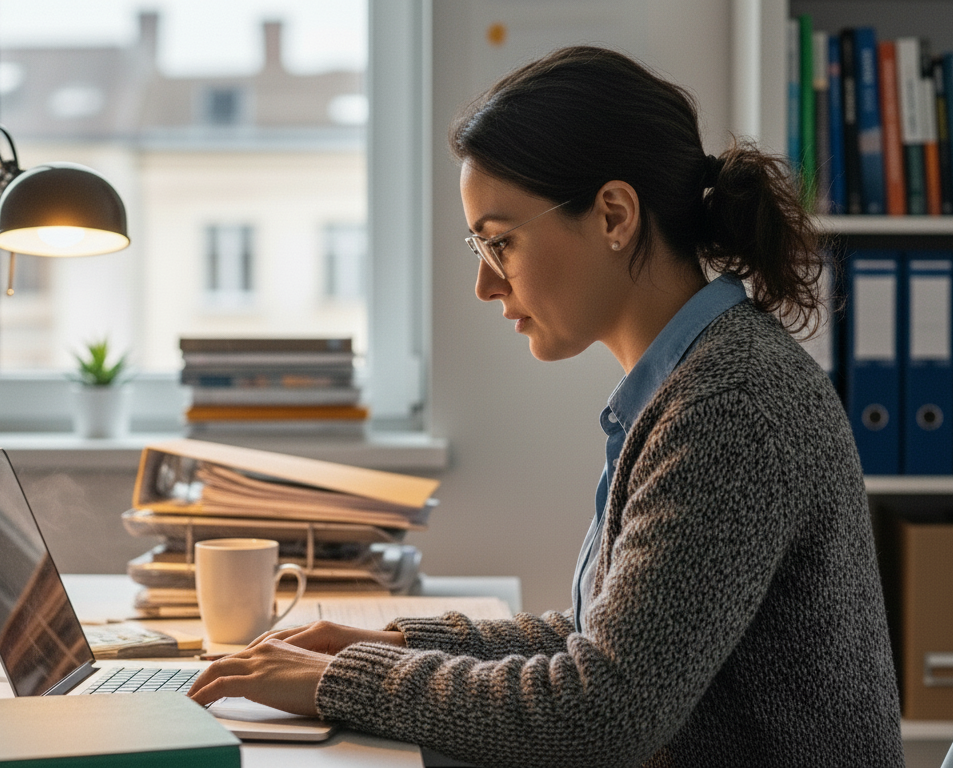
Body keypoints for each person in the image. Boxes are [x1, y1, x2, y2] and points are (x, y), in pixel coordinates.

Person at [189, 46, 905, 767]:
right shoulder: (693, 382)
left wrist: (343, 681)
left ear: (614, 215)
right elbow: (600, 639)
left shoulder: (729, 408)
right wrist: (393, 644)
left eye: (500, 242)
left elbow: (599, 712)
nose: (485, 284)